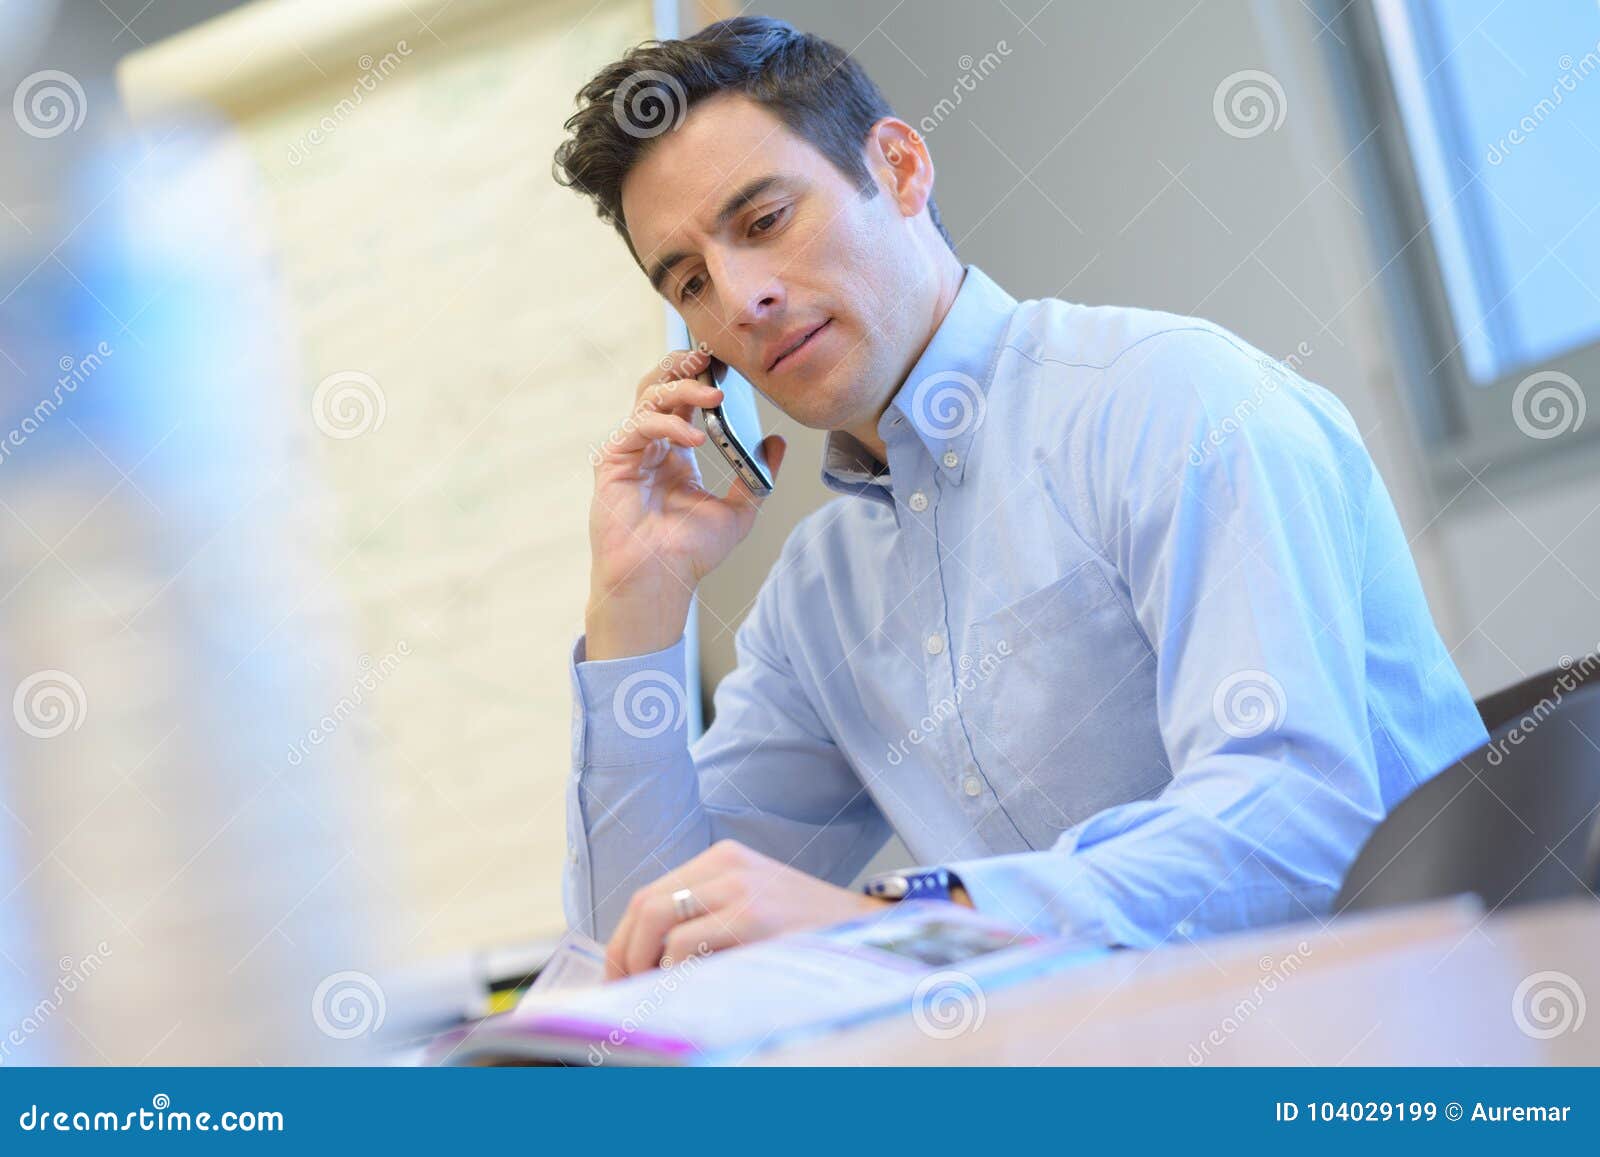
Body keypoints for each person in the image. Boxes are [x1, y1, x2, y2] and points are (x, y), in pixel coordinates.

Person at [551, 16, 1488, 979]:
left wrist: (906, 917)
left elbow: (1297, 828)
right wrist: (637, 602)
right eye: (692, 281)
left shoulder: (1173, 401)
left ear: (902, 168)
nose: (741, 299)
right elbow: (647, 959)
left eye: (764, 222)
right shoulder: (818, 598)